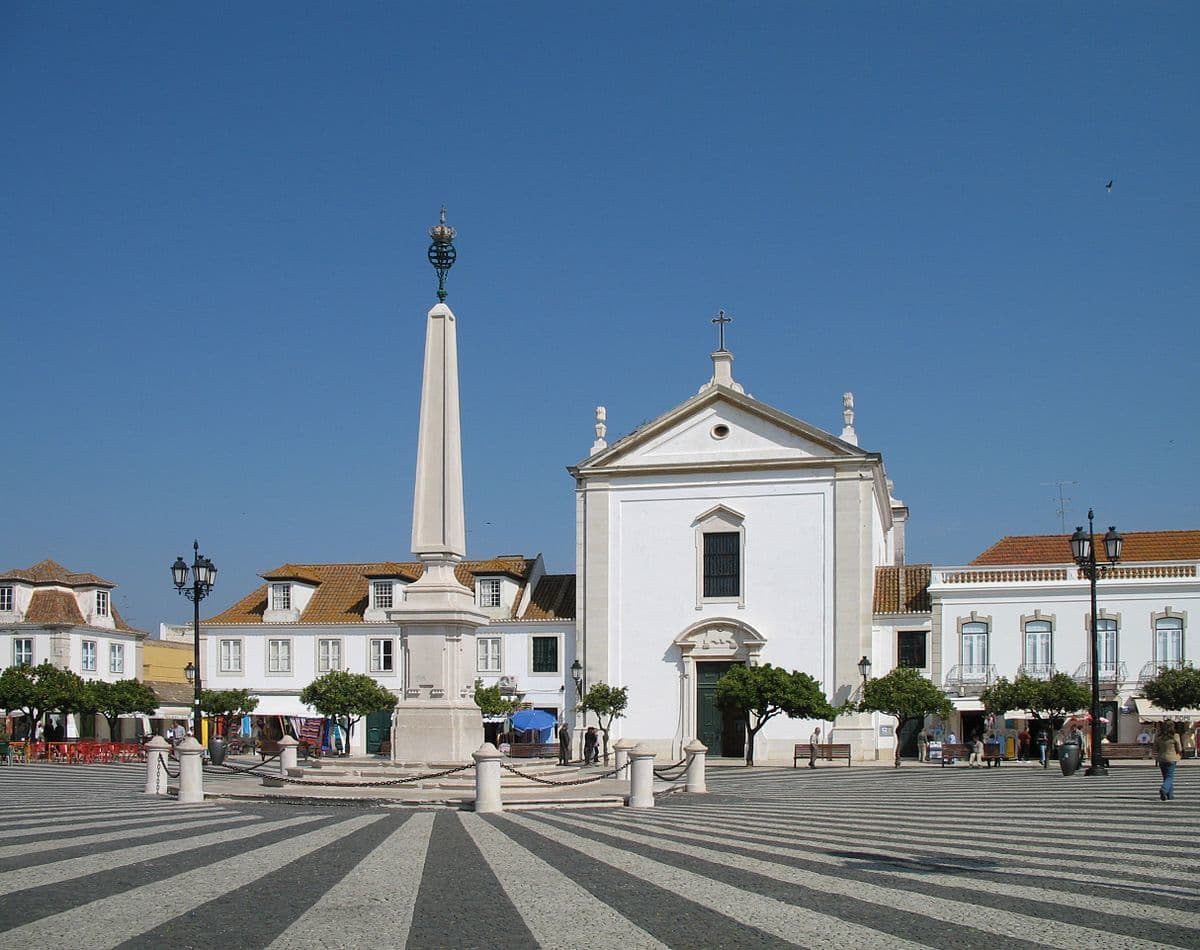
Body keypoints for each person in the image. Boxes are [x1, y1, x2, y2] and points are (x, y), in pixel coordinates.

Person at [1154, 721, 1183, 801]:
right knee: (1169, 776)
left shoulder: (1158, 737)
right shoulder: (1175, 736)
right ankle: (1164, 789)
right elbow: (1179, 748)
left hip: (1161, 758)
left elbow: (1155, 749)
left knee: (1166, 777)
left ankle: (1170, 795)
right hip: (1172, 758)